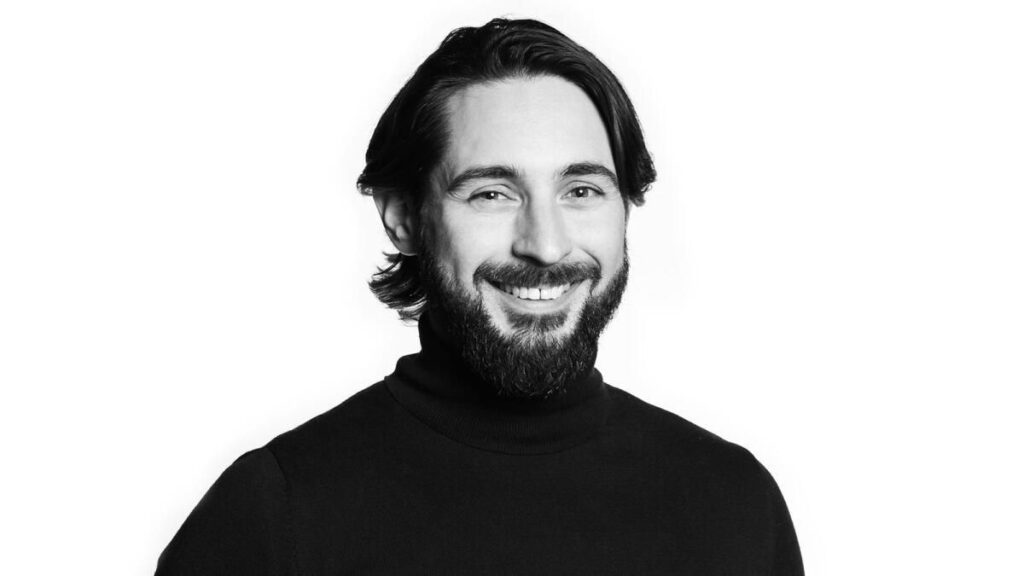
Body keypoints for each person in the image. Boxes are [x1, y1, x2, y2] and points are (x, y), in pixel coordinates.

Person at [156, 17, 802, 575]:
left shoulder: (734, 500)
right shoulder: (273, 514)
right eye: (492, 193)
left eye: (581, 190)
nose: (546, 245)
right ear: (404, 218)